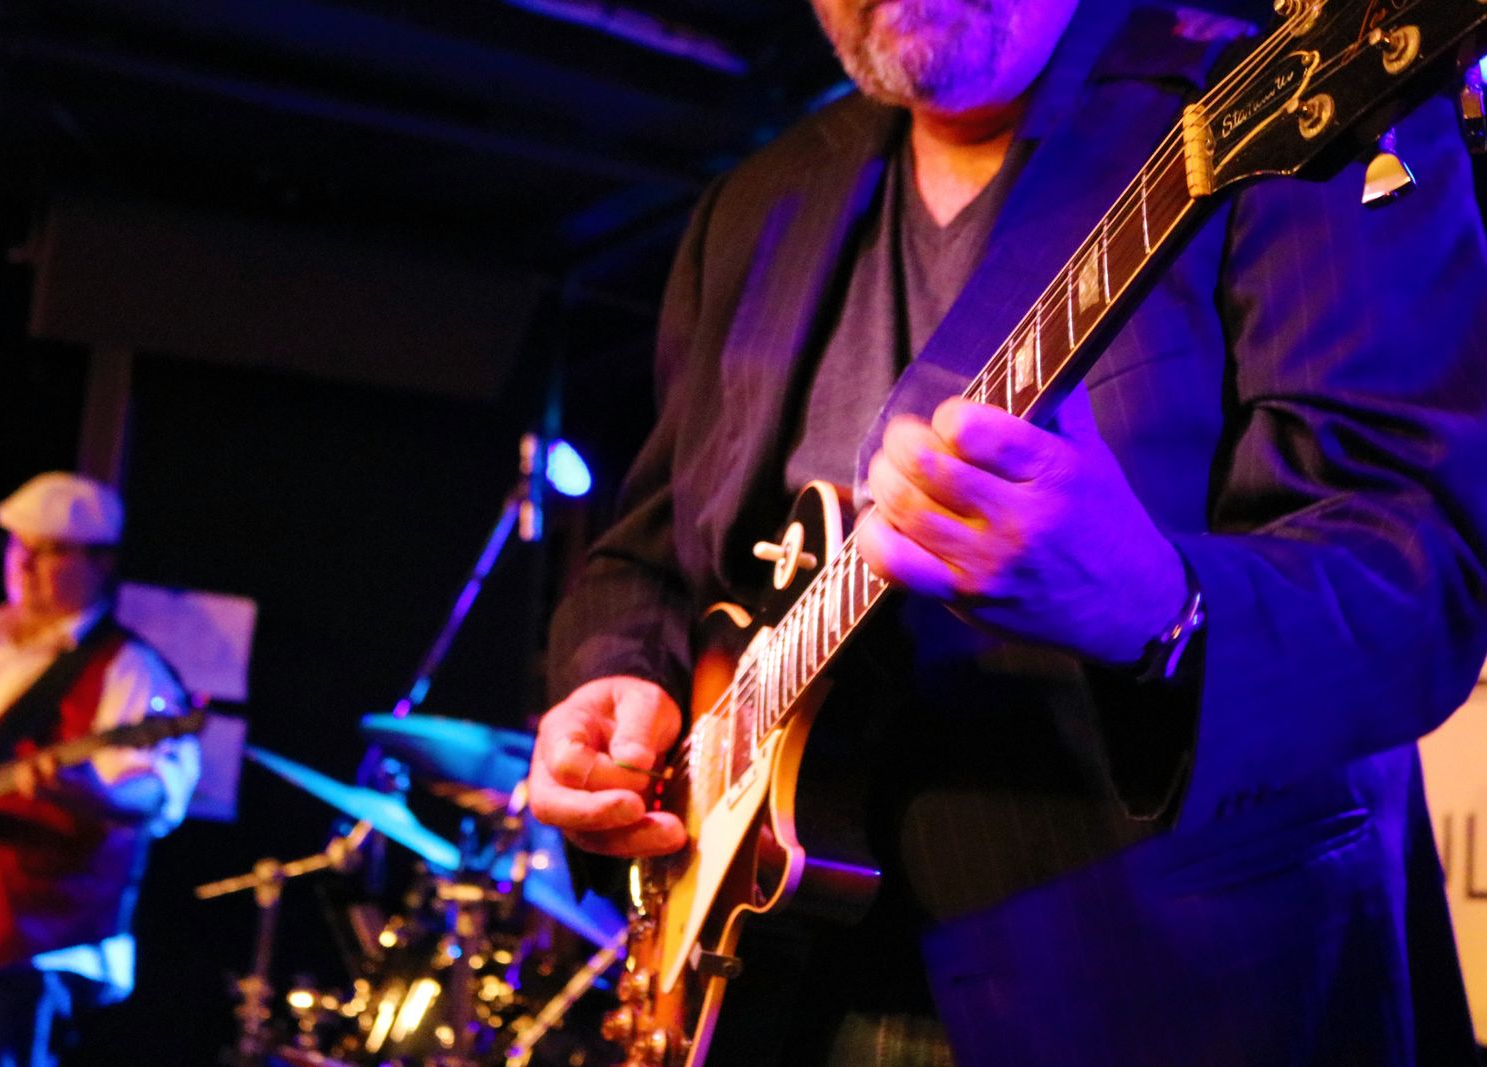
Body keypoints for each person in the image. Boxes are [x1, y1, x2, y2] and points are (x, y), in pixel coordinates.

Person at [527, 0, 1487, 1063]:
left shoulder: (1277, 99)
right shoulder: (754, 203)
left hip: (1168, 988)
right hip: (778, 987)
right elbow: (650, 550)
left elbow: (1423, 581)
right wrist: (615, 671)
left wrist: (1155, 604)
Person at [0, 471, 200, 1067]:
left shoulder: (127, 668)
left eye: (52, 551)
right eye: (18, 546)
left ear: (102, 563)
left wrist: (86, 793)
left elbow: (153, 793)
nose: (26, 564)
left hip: (18, 943)